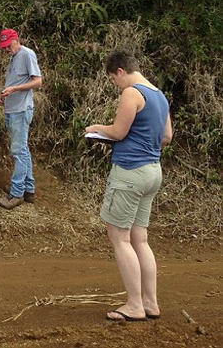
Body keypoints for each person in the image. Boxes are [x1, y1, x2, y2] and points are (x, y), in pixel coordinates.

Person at [85, 50, 172, 322]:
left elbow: (119, 132)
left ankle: (134, 305)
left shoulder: (132, 93)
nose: (115, 84)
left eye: (113, 79)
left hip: (130, 172)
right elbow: (167, 137)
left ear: (120, 71)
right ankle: (150, 302)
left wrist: (97, 128)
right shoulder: (159, 95)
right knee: (140, 238)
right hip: (153, 171)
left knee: (119, 238)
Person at [0, 29, 43, 210]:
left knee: (18, 151)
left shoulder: (26, 54)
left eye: (8, 45)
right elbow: (15, 82)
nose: (6, 49)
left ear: (16, 40)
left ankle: (16, 194)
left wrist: (14, 90)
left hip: (21, 110)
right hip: (13, 108)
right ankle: (29, 191)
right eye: (4, 47)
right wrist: (6, 94)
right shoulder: (14, 57)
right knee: (22, 149)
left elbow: (38, 81)